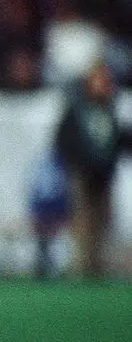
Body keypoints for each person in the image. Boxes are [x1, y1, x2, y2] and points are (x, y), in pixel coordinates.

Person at [54, 60, 132, 277]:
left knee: (104, 218)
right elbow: (63, 140)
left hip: (105, 172)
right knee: (82, 219)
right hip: (82, 172)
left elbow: (118, 139)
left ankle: (99, 264)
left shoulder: (111, 108)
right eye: (98, 80)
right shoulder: (77, 109)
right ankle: (82, 265)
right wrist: (76, 161)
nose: (103, 84)